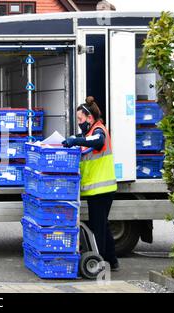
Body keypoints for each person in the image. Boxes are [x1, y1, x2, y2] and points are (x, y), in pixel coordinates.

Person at [62, 96, 119, 271]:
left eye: (80, 119)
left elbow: (98, 141)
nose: (79, 123)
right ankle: (112, 261)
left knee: (98, 228)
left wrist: (76, 140)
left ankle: (99, 264)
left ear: (90, 117)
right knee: (103, 225)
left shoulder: (99, 130)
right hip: (97, 190)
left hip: (101, 189)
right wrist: (74, 139)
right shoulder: (88, 134)